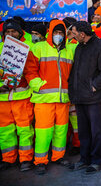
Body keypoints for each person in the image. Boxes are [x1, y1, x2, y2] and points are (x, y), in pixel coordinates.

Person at [24, 20, 76, 175]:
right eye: (55, 32)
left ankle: (58, 156)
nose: (58, 35)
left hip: (63, 99)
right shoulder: (39, 47)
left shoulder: (69, 50)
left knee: (61, 130)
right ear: (50, 33)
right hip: (44, 100)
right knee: (43, 132)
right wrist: (38, 85)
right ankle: (40, 160)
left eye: (61, 33)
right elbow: (30, 70)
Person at [68, 21, 101, 174]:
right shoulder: (79, 47)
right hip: (80, 97)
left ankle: (97, 160)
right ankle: (84, 159)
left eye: (74, 33)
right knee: (83, 131)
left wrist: (93, 86)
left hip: (94, 97)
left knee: (97, 131)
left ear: (82, 34)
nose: (73, 36)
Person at [0, 19, 34, 172]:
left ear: (20, 33)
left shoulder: (28, 48)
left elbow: (31, 72)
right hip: (2, 99)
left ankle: (26, 158)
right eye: (7, 32)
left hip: (22, 97)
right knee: (5, 130)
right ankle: (8, 158)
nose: (11, 34)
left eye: (14, 31)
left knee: (25, 129)